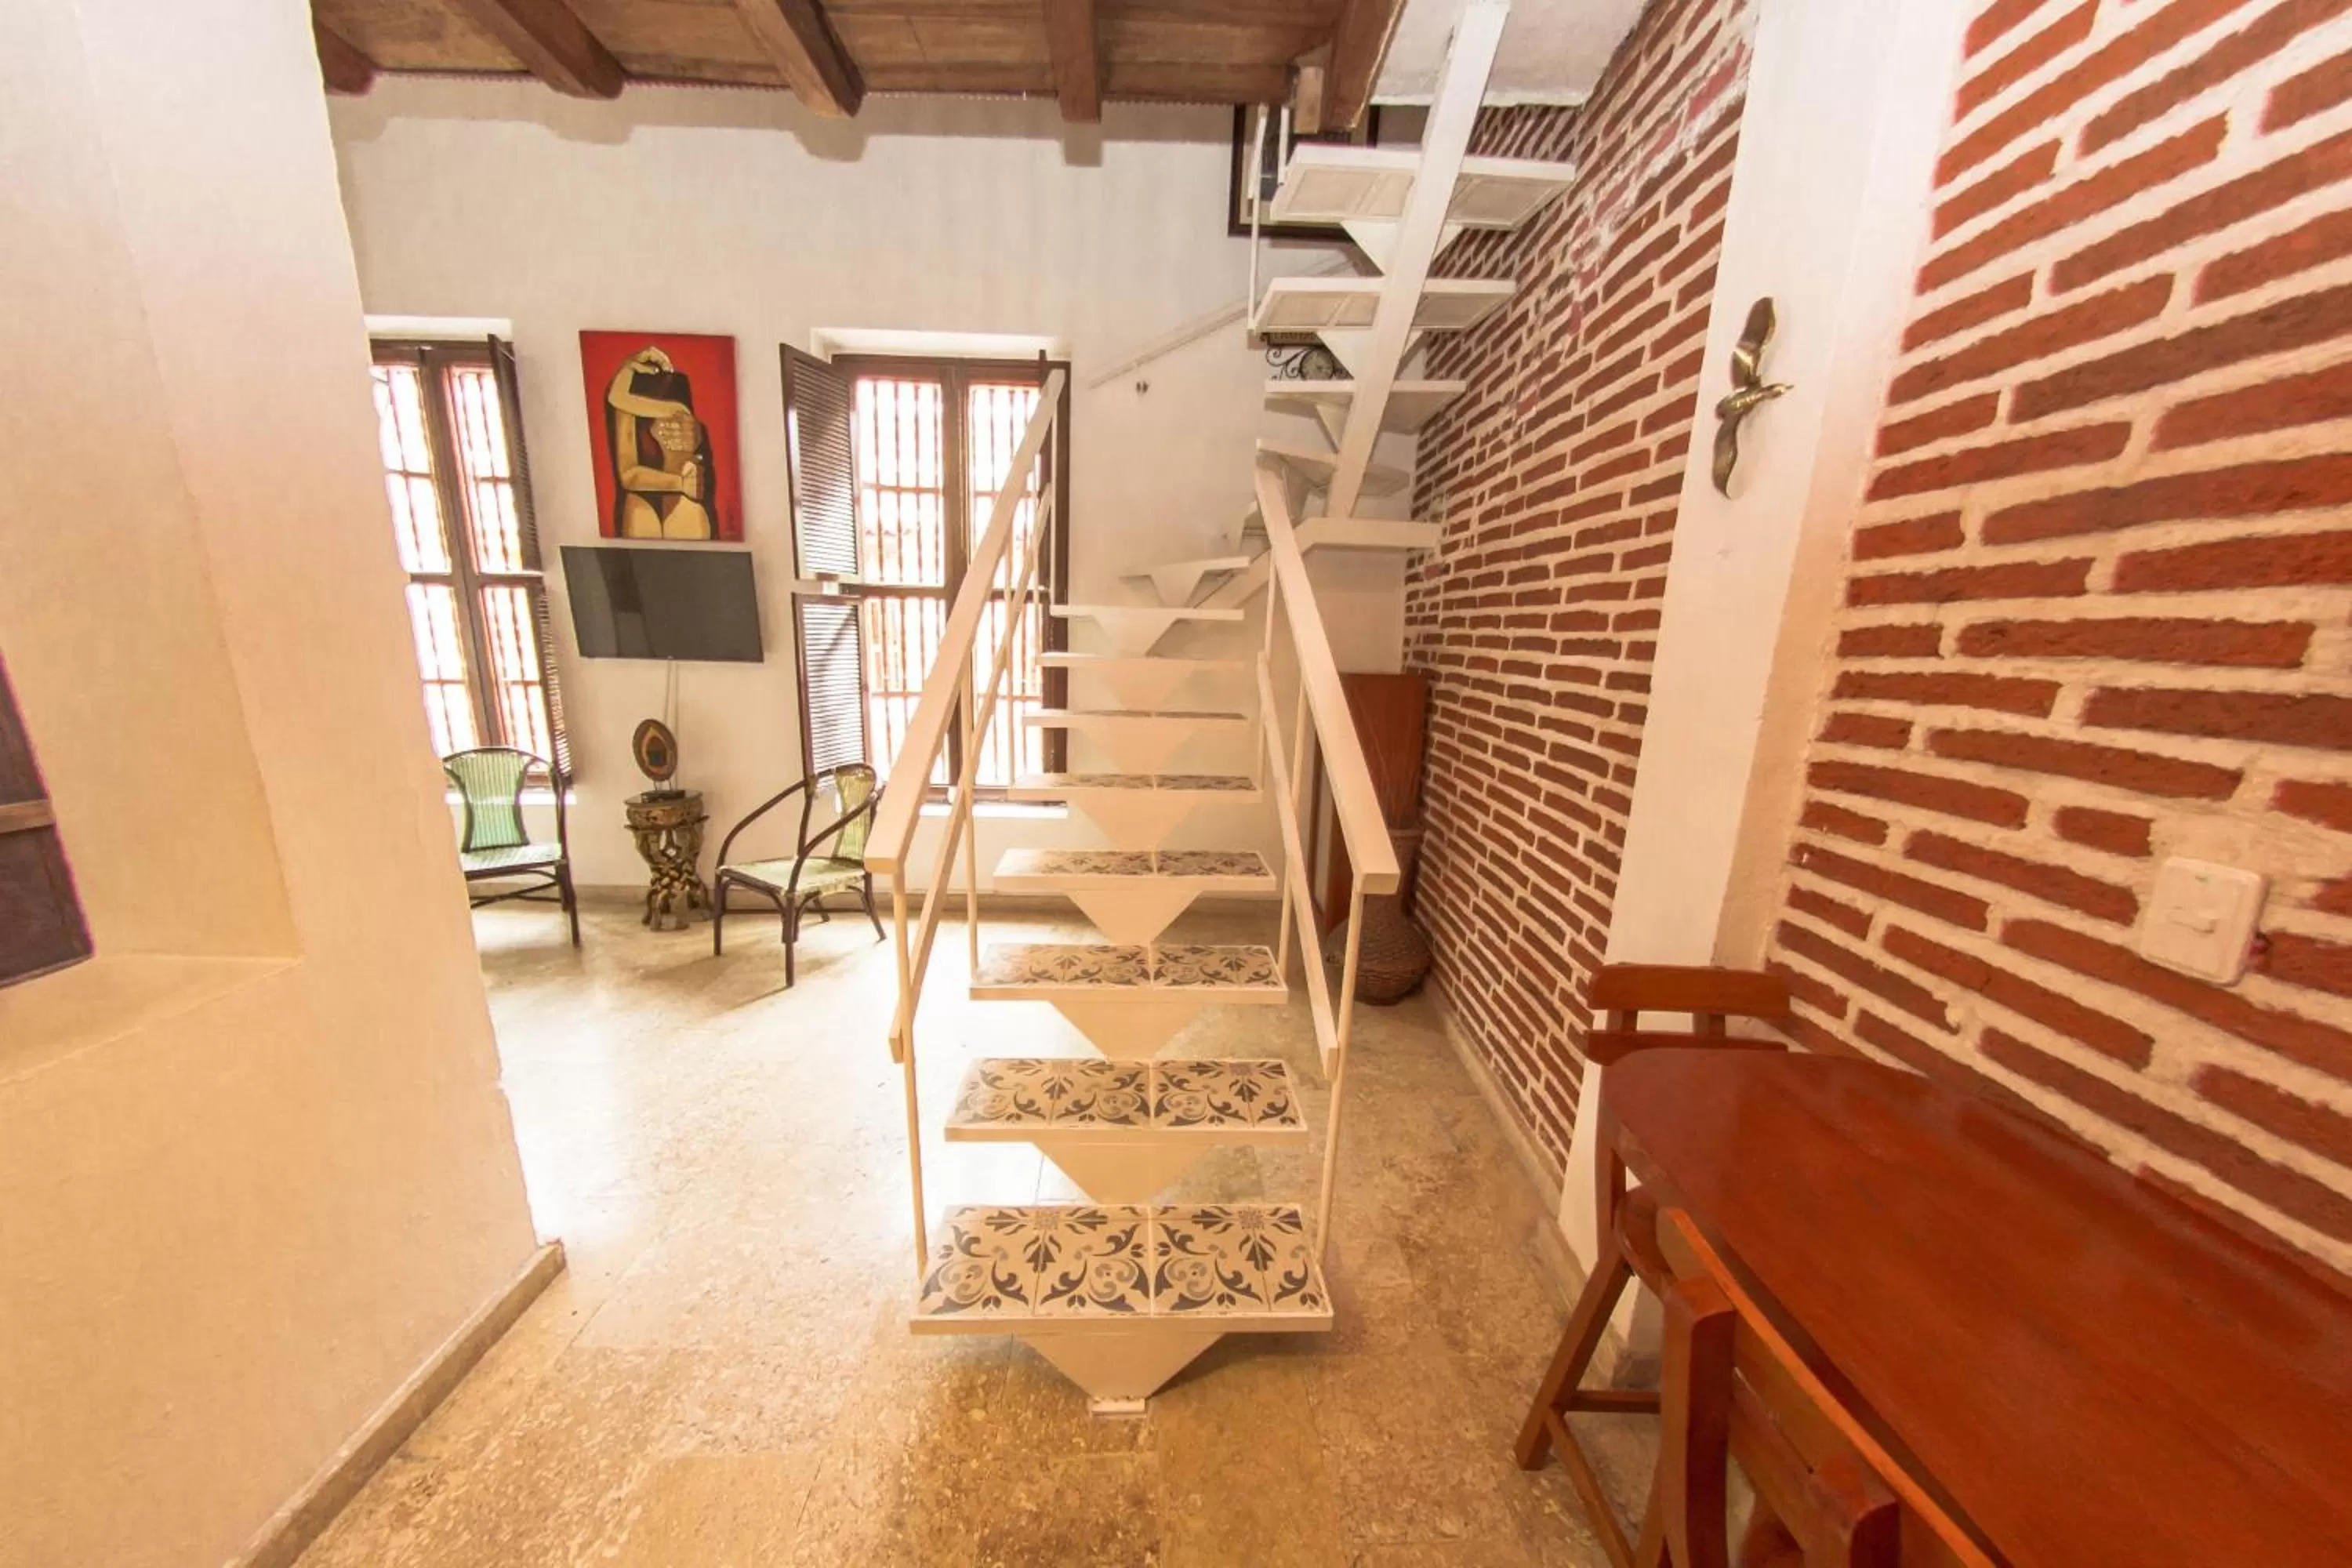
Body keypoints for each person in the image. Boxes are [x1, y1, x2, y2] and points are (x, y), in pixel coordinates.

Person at [605, 346, 718, 539]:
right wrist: (680, 483)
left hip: (682, 505)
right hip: (648, 502)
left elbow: (617, 398)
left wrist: (628, 369)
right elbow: (628, 476)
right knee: (639, 514)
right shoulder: (628, 411)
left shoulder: (678, 410)